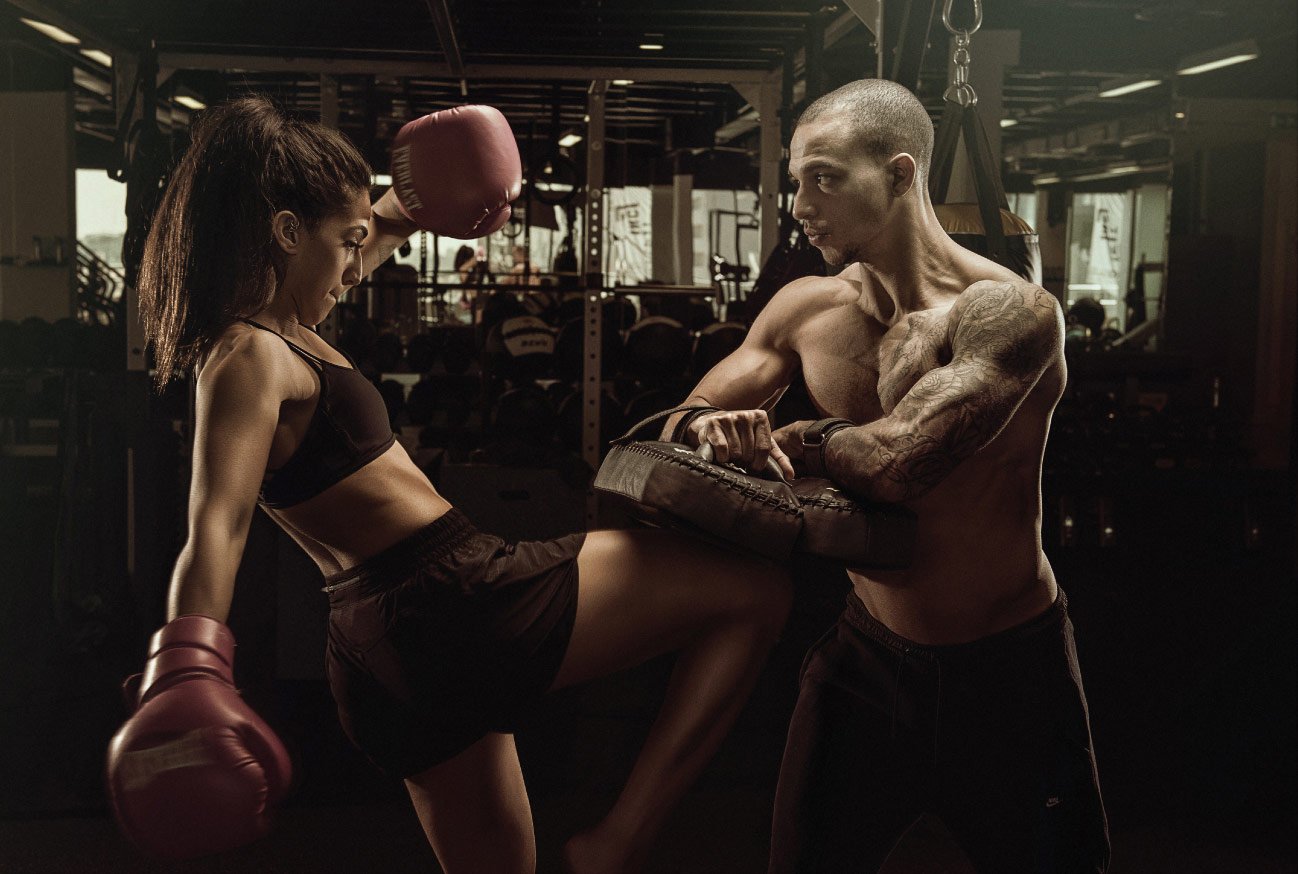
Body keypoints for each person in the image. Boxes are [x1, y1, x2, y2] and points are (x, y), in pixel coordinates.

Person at [105, 95, 791, 874]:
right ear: (288, 233)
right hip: (453, 597)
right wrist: (191, 662)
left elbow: (361, 243)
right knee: (755, 592)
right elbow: (217, 525)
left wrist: (404, 205)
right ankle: (620, 840)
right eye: (346, 244)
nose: (354, 266)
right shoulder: (248, 354)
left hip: (380, 647)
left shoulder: (284, 323)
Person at [665, 79, 1110, 872]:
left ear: (902, 175)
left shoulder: (1011, 313)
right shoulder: (804, 308)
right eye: (795, 180)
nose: (800, 204)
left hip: (1011, 670)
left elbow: (901, 462)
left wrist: (797, 435)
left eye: (825, 178)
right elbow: (674, 428)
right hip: (865, 660)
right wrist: (710, 426)